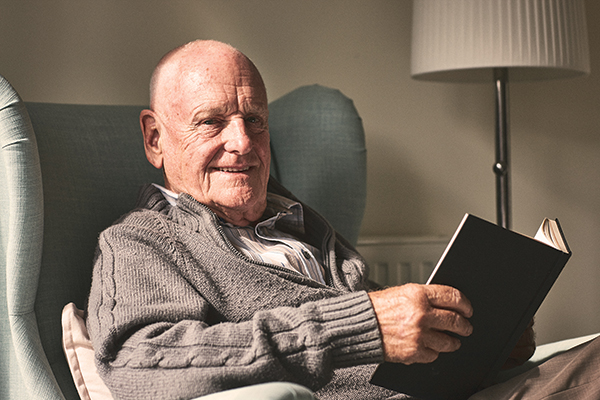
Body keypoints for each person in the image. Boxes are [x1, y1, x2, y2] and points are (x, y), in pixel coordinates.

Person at [87, 40, 600, 400]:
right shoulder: (139, 243)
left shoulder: (300, 225)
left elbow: (390, 343)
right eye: (212, 122)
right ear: (155, 139)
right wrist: (362, 327)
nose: (242, 142)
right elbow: (140, 365)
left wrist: (479, 341)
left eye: (255, 120)